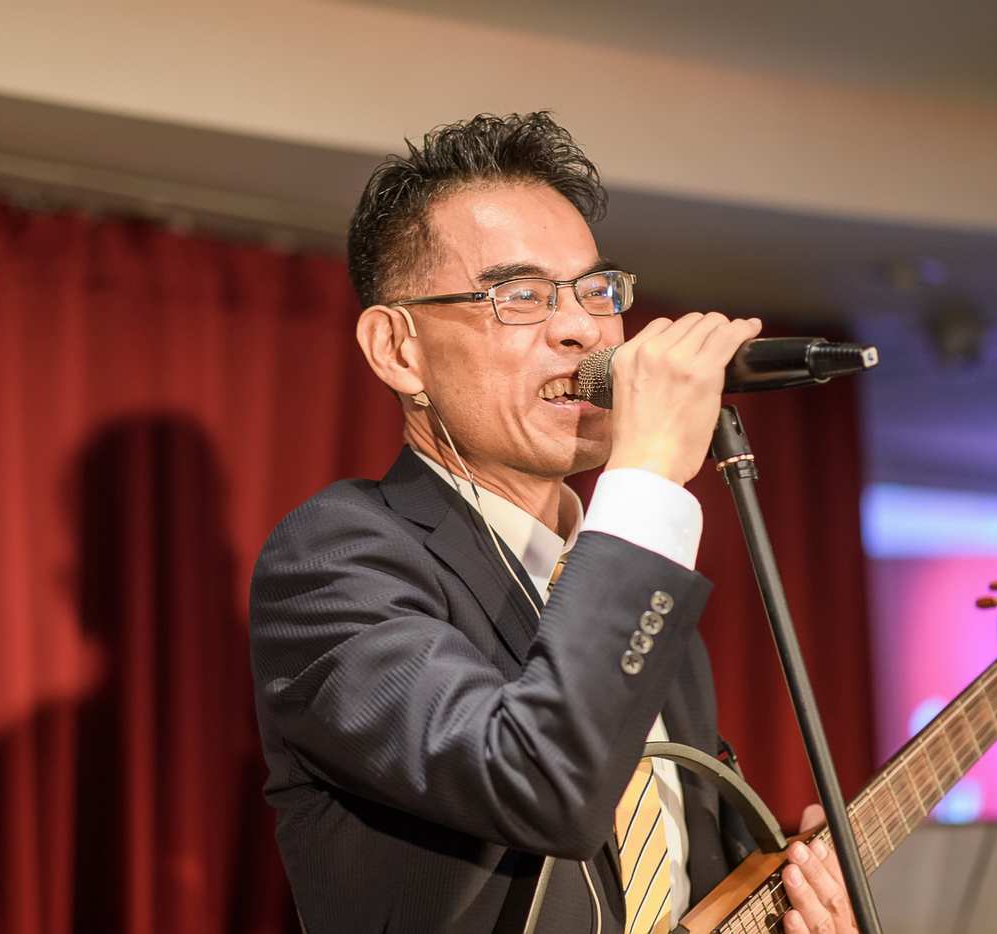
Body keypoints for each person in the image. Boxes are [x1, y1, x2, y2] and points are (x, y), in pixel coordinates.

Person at [250, 113, 854, 934]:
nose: (583, 329)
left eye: (596, 291)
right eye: (521, 297)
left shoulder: (642, 594)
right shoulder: (336, 560)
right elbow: (540, 783)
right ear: (398, 349)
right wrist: (646, 472)